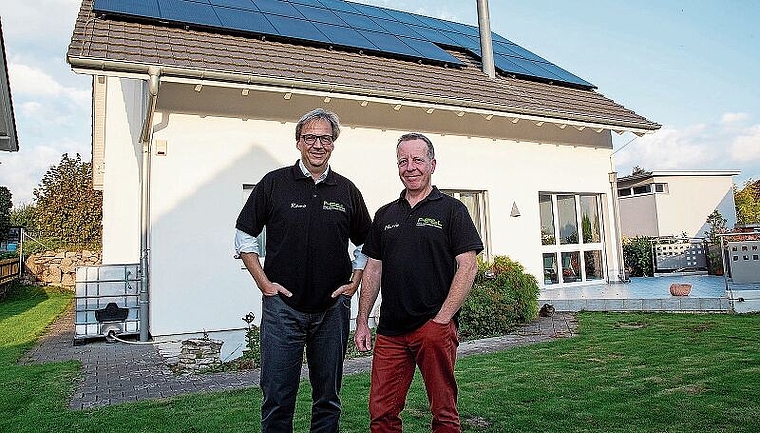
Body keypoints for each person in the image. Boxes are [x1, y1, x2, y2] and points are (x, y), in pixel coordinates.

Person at [235, 108, 372, 432]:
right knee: (278, 397)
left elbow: (368, 243)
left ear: (333, 144)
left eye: (325, 138)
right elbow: (244, 235)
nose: (317, 145)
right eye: (310, 137)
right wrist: (264, 283)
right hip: (283, 310)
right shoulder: (274, 184)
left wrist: (354, 281)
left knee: (328, 398)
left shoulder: (346, 190)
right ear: (298, 142)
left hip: (331, 310)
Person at [355, 132, 483, 433]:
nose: (410, 167)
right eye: (403, 161)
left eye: (417, 160)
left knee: (444, 413)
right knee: (381, 415)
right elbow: (373, 268)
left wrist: (442, 320)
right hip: (390, 331)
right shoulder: (385, 215)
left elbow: (468, 266)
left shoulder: (452, 210)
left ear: (432, 164)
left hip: (433, 327)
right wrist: (362, 320)